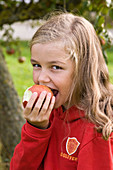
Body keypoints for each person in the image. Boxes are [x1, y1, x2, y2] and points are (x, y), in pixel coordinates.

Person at [10, 12, 113, 170]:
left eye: (55, 67)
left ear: (82, 70)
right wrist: (36, 129)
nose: (42, 78)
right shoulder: (49, 113)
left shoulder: (97, 130)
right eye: (36, 65)